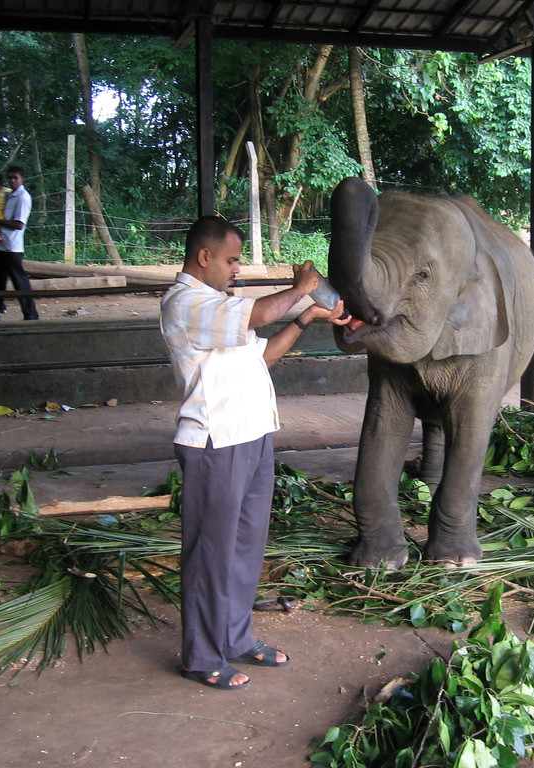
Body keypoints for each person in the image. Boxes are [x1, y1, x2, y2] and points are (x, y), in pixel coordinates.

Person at [161, 215, 349, 691]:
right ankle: (201, 656)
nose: (237, 269)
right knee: (211, 554)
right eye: (230, 260)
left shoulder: (219, 306)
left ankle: (236, 637)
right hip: (214, 442)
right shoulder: (186, 303)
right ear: (203, 257)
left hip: (252, 434)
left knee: (245, 548)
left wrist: (306, 316)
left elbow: (261, 353)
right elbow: (262, 314)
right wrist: (303, 286)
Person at [0, 165, 38, 321]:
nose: (12, 180)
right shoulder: (8, 195)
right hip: (0, 244)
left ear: (22, 179)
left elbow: (18, 224)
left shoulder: (23, 198)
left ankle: (31, 315)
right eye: (10, 177)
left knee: (20, 282)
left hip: (12, 247)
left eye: (15, 178)